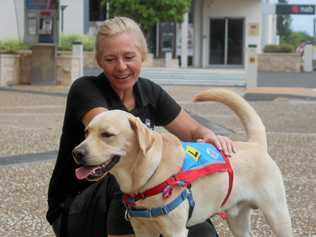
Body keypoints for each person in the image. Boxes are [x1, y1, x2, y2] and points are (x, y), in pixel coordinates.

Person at [46, 16, 235, 237]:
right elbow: (108, 127)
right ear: (98, 60)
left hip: (142, 198)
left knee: (196, 224)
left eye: (129, 57)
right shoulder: (85, 89)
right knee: (127, 170)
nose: (121, 67)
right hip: (78, 207)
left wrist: (209, 136)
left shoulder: (149, 92)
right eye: (110, 59)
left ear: (143, 56)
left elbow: (193, 131)